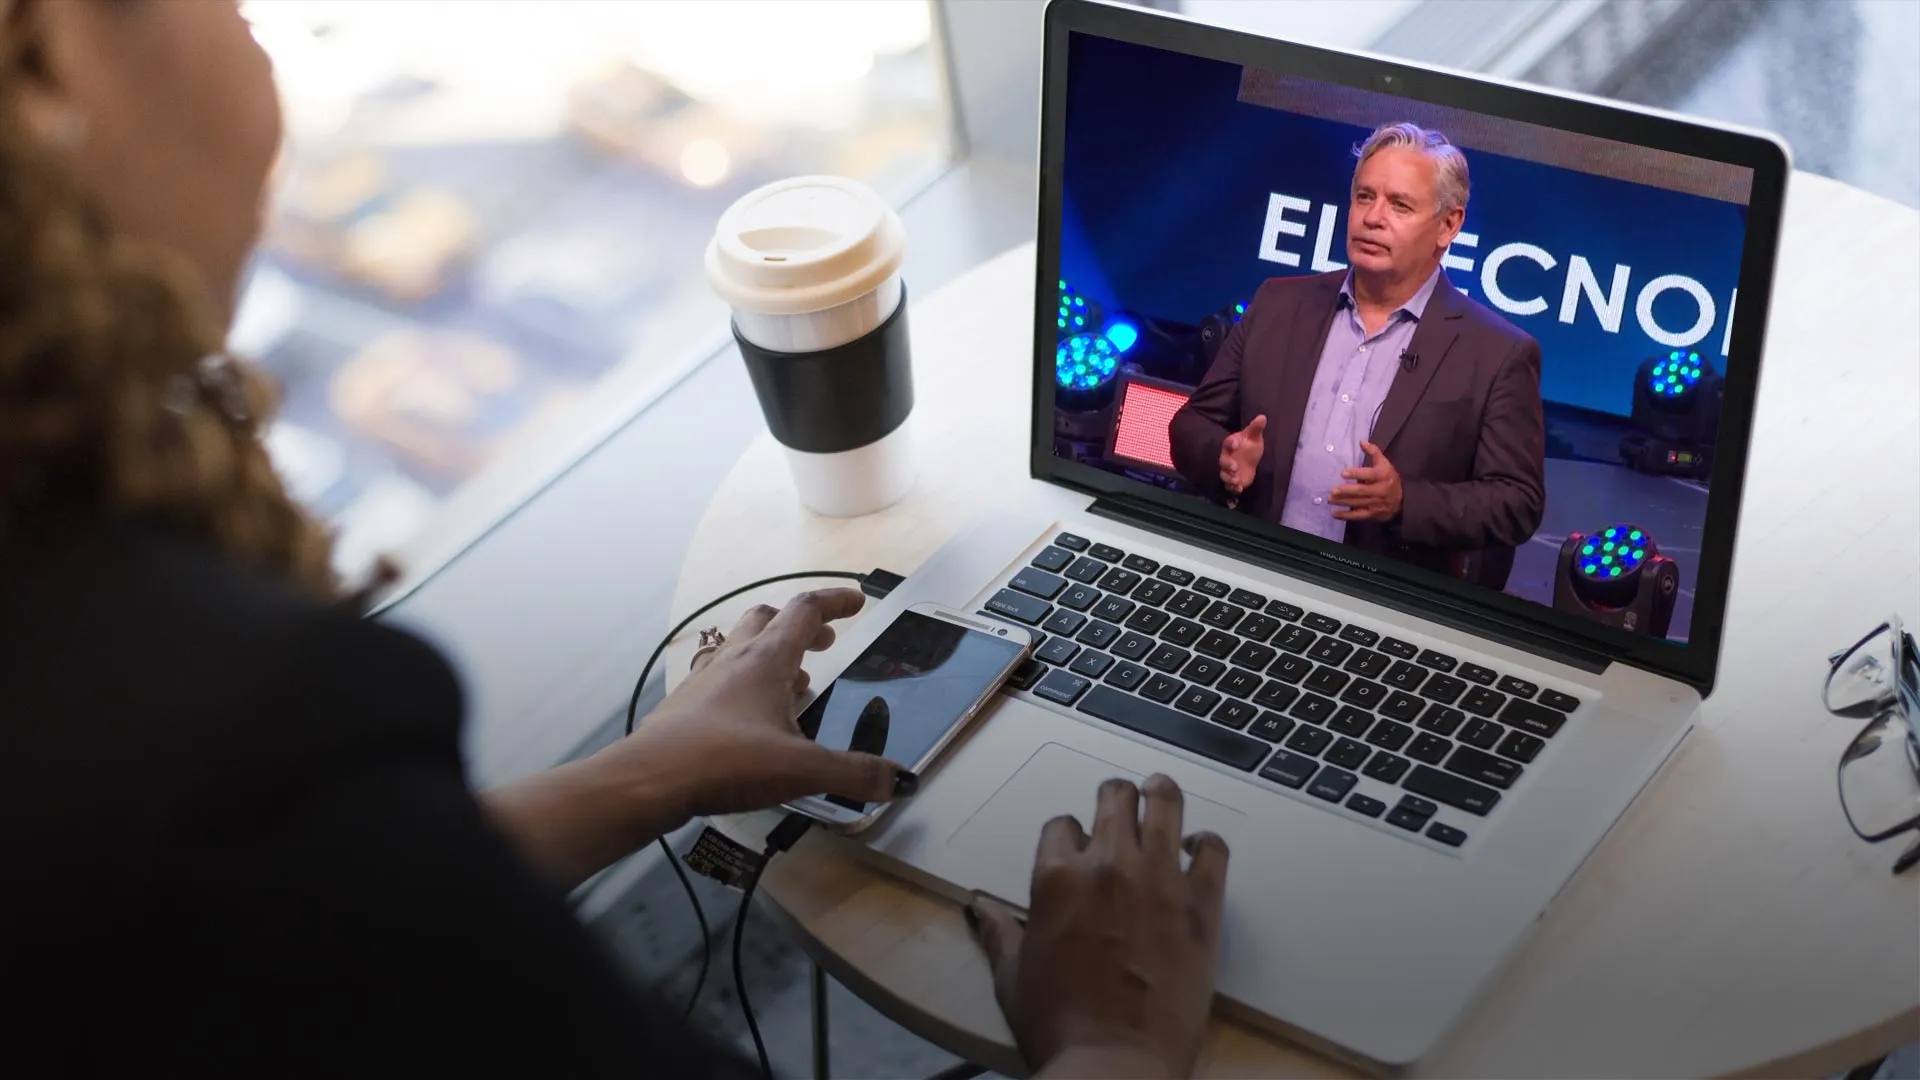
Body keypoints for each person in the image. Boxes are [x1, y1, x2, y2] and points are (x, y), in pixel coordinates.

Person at [0, 3, 1229, 1077]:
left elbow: (310, 921)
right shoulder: (241, 730)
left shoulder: (114, 665)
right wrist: (1110, 1046)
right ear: (53, 69)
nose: (253, 29)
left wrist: (646, 773)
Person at [1168, 122, 1546, 584]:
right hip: (1251, 575)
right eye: (1365, 197)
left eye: (1400, 205)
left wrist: (1404, 501)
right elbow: (1191, 424)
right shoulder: (1277, 303)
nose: (1373, 217)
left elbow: (1517, 503)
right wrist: (1223, 459)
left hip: (1381, 597)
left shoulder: (1498, 352)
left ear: (1449, 225)